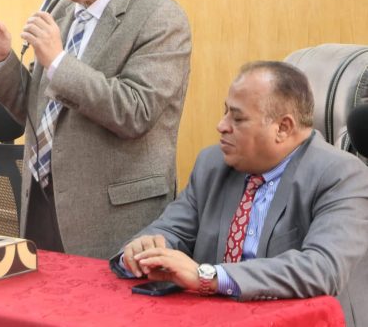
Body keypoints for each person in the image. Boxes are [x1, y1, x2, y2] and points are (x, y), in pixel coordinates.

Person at [0, 0, 191, 258]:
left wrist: (58, 61)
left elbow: (135, 111)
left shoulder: (159, 17)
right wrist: (1, 60)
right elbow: (38, 109)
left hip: (113, 213)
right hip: (42, 201)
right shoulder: (62, 11)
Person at [111, 62, 368, 327]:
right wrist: (144, 250)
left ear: (282, 128)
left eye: (238, 118)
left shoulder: (342, 175)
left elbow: (321, 268)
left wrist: (208, 276)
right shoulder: (213, 164)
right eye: (225, 112)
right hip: (217, 319)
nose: (221, 126)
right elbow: (171, 230)